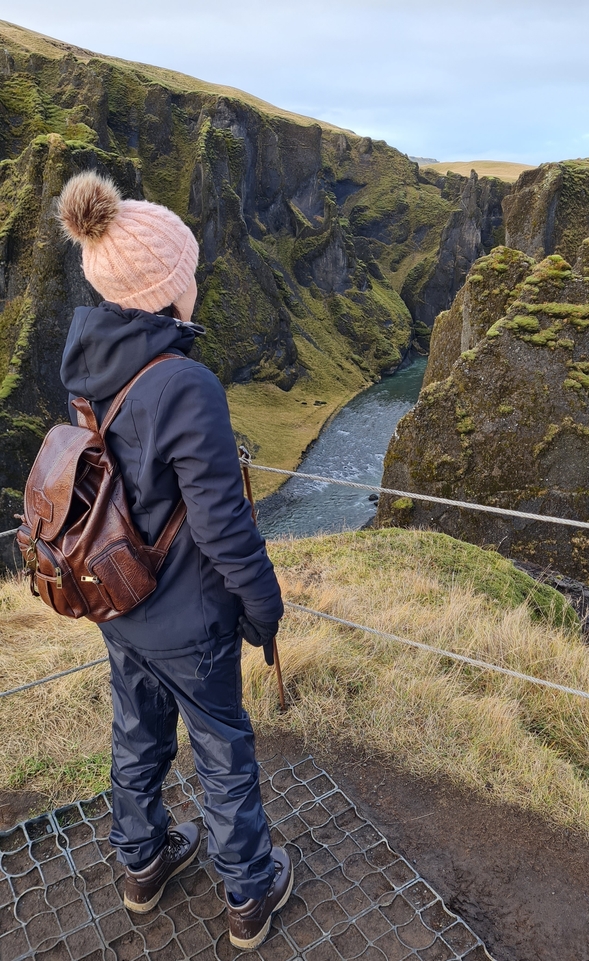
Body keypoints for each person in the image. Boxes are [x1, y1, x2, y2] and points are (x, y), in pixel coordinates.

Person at [56, 170, 292, 951]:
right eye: (186, 275)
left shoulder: (86, 363)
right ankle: (249, 895)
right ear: (164, 289)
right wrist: (265, 608)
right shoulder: (184, 383)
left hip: (118, 600)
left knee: (137, 732)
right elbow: (225, 528)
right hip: (189, 618)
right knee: (223, 746)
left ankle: (142, 866)